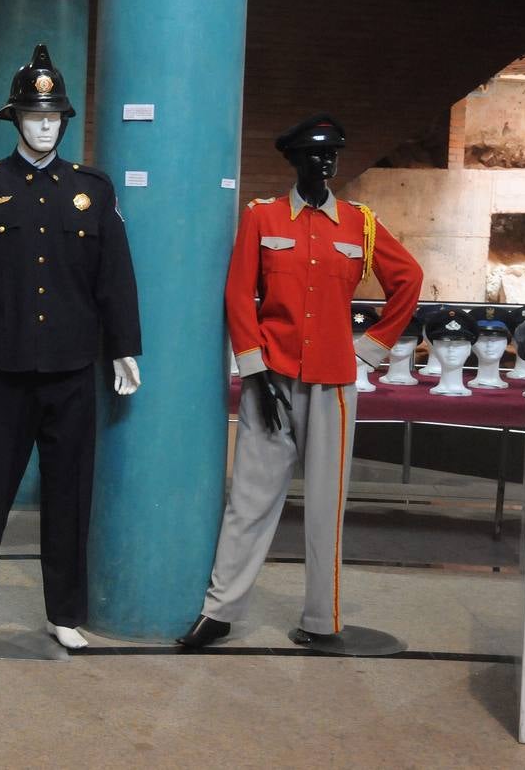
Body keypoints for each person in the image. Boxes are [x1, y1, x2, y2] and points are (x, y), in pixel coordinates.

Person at [0, 43, 142, 651]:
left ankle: (63, 613)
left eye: (54, 116)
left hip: (71, 370)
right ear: (15, 118)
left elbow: (114, 274)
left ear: (65, 120)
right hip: (8, 369)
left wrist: (123, 348)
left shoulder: (92, 187)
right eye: (34, 115)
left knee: (69, 499)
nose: (45, 125)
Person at [178, 114, 422, 650]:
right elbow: (240, 295)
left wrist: (370, 348)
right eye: (314, 155)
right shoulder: (263, 219)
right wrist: (255, 372)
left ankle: (321, 619)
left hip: (333, 385)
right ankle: (220, 612)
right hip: (273, 379)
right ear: (294, 161)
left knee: (326, 505)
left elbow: (408, 280)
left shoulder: (359, 224)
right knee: (249, 500)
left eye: (332, 153)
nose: (325, 163)